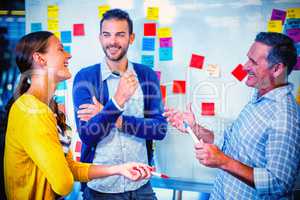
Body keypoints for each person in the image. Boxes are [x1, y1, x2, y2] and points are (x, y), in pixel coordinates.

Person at [4, 31, 154, 200]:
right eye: (61, 50)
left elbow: (69, 166)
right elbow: (64, 183)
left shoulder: (47, 109)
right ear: (40, 59)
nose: (69, 55)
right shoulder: (32, 111)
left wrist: (119, 169)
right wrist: (116, 103)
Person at [164, 32, 300, 199]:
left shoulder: (285, 117)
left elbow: (278, 184)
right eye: (248, 58)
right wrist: (195, 129)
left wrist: (223, 161)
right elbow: (231, 143)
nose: (244, 66)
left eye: (253, 62)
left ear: (277, 69)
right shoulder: (258, 99)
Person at [73, 8, 167, 199]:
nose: (112, 41)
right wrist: (118, 101)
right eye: (107, 35)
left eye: (120, 35)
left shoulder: (146, 75)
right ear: (100, 38)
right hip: (101, 188)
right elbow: (88, 135)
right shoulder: (85, 78)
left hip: (141, 185)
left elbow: (159, 129)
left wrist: (109, 116)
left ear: (131, 38)